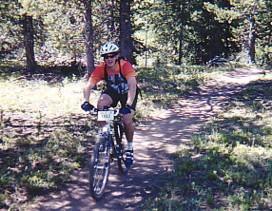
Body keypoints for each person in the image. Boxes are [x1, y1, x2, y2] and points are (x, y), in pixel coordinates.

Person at [81, 42, 139, 168]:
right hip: (113, 92)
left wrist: (128, 105)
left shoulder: (125, 66)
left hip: (127, 93)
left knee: (126, 119)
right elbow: (88, 86)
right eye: (106, 56)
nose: (109, 59)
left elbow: (132, 86)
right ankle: (105, 136)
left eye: (112, 56)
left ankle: (129, 148)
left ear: (117, 56)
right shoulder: (101, 68)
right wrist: (85, 101)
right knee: (101, 104)